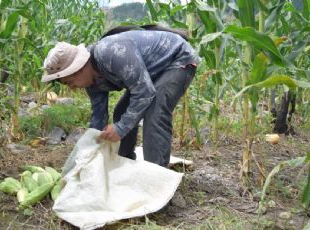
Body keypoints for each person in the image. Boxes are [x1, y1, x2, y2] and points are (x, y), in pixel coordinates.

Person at [41, 25, 200, 167]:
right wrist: (90, 150)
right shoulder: (93, 82)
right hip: (149, 73)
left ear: (79, 69)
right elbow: (98, 117)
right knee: (121, 113)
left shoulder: (109, 52)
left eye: (70, 82)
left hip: (177, 60)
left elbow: (145, 92)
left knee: (155, 112)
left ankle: (156, 175)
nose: (73, 88)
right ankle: (123, 162)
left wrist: (120, 128)